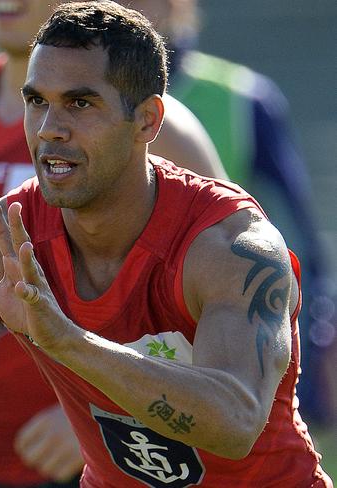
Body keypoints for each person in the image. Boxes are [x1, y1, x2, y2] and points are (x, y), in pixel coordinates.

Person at [0, 2, 332, 486]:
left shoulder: (231, 246)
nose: (49, 129)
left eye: (80, 104)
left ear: (148, 120)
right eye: (36, 102)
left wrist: (67, 343)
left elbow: (235, 422)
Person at [123, 0, 335, 424]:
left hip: (216, 323)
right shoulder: (57, 92)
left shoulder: (243, 97)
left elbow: (297, 234)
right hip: (115, 315)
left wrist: (318, 329)